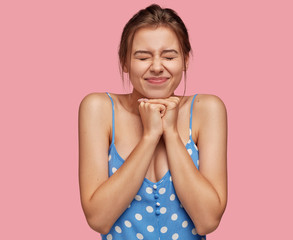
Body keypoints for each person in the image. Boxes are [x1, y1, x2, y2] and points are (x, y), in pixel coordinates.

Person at [78, 4, 228, 240]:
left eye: (169, 56)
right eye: (143, 57)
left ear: (185, 60)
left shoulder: (206, 110)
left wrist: (170, 133)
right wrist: (149, 137)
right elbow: (99, 219)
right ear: (125, 62)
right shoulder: (100, 109)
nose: (157, 67)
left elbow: (207, 221)